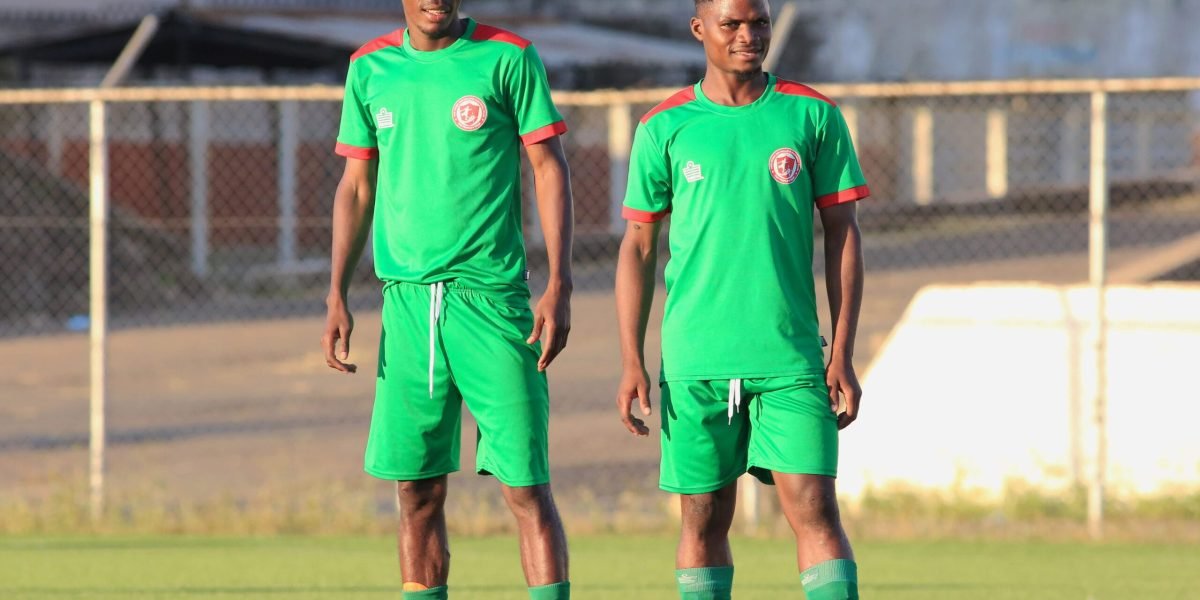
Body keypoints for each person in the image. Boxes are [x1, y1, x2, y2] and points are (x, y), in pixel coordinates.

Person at [614, 0, 867, 598]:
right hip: (696, 358)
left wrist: (843, 354)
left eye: (758, 23)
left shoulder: (813, 115)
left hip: (790, 358)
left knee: (814, 506)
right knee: (703, 516)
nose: (748, 36)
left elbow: (844, 235)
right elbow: (638, 247)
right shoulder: (664, 127)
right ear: (700, 30)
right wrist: (631, 360)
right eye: (731, 24)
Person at [321, 1, 573, 598]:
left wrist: (560, 283)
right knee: (416, 490)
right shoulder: (370, 67)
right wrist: (335, 291)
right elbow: (356, 185)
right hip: (407, 306)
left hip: (492, 300)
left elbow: (548, 166)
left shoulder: (509, 56)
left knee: (526, 486)